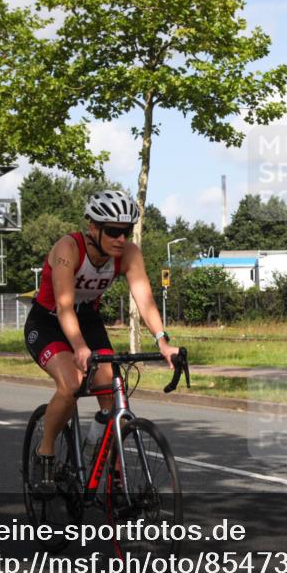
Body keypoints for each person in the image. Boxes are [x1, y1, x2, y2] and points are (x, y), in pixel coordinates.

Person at [24, 190, 180, 492]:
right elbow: (65, 306)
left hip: (88, 320)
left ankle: (103, 459)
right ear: (93, 228)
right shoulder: (68, 249)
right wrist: (80, 348)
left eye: (126, 231)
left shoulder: (129, 254)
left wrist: (162, 340)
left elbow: (145, 300)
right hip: (49, 321)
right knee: (71, 384)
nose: (121, 238)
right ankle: (45, 453)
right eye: (113, 231)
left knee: (113, 391)